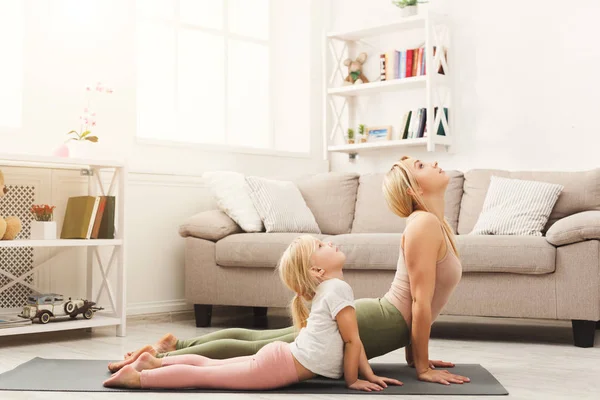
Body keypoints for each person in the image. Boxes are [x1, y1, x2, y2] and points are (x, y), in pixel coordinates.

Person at [111, 156, 470, 386]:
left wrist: (414, 355)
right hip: (381, 321)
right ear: (414, 188)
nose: (434, 163)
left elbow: (423, 301)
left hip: (385, 320)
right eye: (421, 166)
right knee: (266, 346)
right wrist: (421, 367)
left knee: (266, 341)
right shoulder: (423, 224)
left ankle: (172, 348)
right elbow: (419, 303)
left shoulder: (432, 224)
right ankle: (162, 359)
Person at [104, 235, 402, 391]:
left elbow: (354, 341)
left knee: (210, 368)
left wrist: (369, 374)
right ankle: (138, 379)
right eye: (322, 245)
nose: (331, 243)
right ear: (317, 270)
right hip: (278, 365)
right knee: (206, 376)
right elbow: (352, 342)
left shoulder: (331, 289)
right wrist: (354, 381)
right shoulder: (338, 289)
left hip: (281, 358)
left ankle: (152, 364)